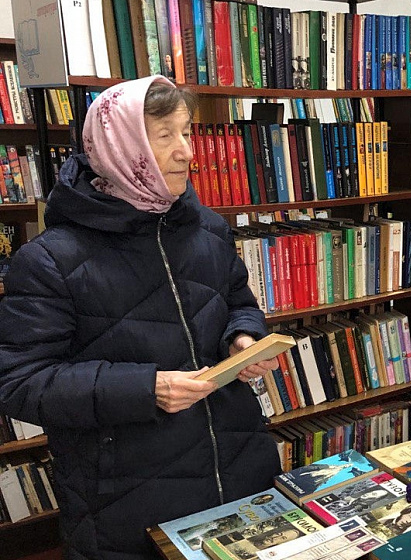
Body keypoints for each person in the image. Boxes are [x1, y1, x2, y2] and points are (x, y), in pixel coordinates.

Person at [0, 76, 281, 559]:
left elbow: (239, 301)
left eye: (186, 132)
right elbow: (19, 382)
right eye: (164, 135)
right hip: (125, 501)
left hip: (240, 466)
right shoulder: (49, 259)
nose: (187, 152)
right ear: (120, 147)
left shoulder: (207, 229)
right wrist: (146, 388)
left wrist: (243, 337)